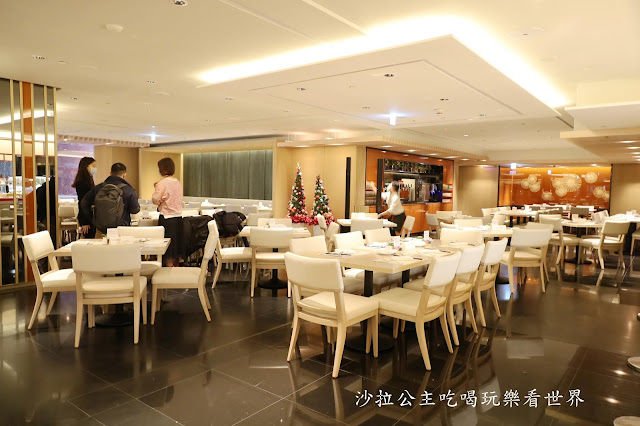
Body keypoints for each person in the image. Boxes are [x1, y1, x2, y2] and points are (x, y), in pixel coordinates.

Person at [80, 163, 140, 238]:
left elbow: (84, 202)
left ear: (110, 173)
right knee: (122, 246)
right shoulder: (128, 189)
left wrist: (93, 218)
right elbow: (135, 210)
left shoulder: (99, 188)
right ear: (124, 175)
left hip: (101, 229)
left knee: (100, 245)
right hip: (122, 230)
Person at [152, 157, 183, 266]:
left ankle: (167, 269)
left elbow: (155, 200)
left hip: (167, 218)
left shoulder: (162, 183)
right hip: (178, 217)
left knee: (168, 248)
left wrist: (156, 188)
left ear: (162, 169)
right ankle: (176, 268)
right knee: (176, 246)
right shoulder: (177, 182)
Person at [72, 156, 97, 238]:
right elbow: (83, 202)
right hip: (86, 217)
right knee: (89, 239)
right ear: (86, 167)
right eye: (93, 166)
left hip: (90, 215)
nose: (95, 168)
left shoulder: (89, 180)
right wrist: (84, 222)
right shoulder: (82, 182)